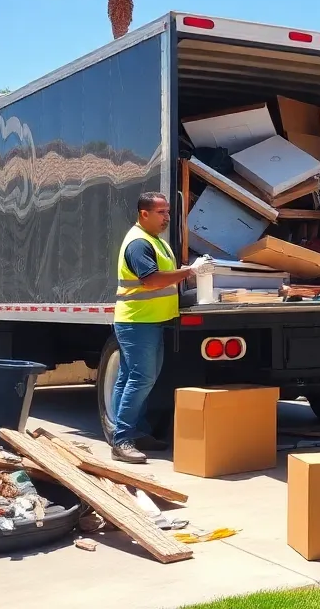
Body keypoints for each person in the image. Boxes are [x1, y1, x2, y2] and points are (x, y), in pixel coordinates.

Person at [111, 191, 209, 464]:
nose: (167, 217)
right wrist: (190, 271)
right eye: (161, 212)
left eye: (167, 212)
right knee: (141, 379)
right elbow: (152, 281)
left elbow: (163, 277)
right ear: (144, 214)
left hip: (148, 320)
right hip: (138, 322)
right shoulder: (139, 244)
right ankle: (122, 440)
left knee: (130, 379)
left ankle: (134, 432)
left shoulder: (155, 241)